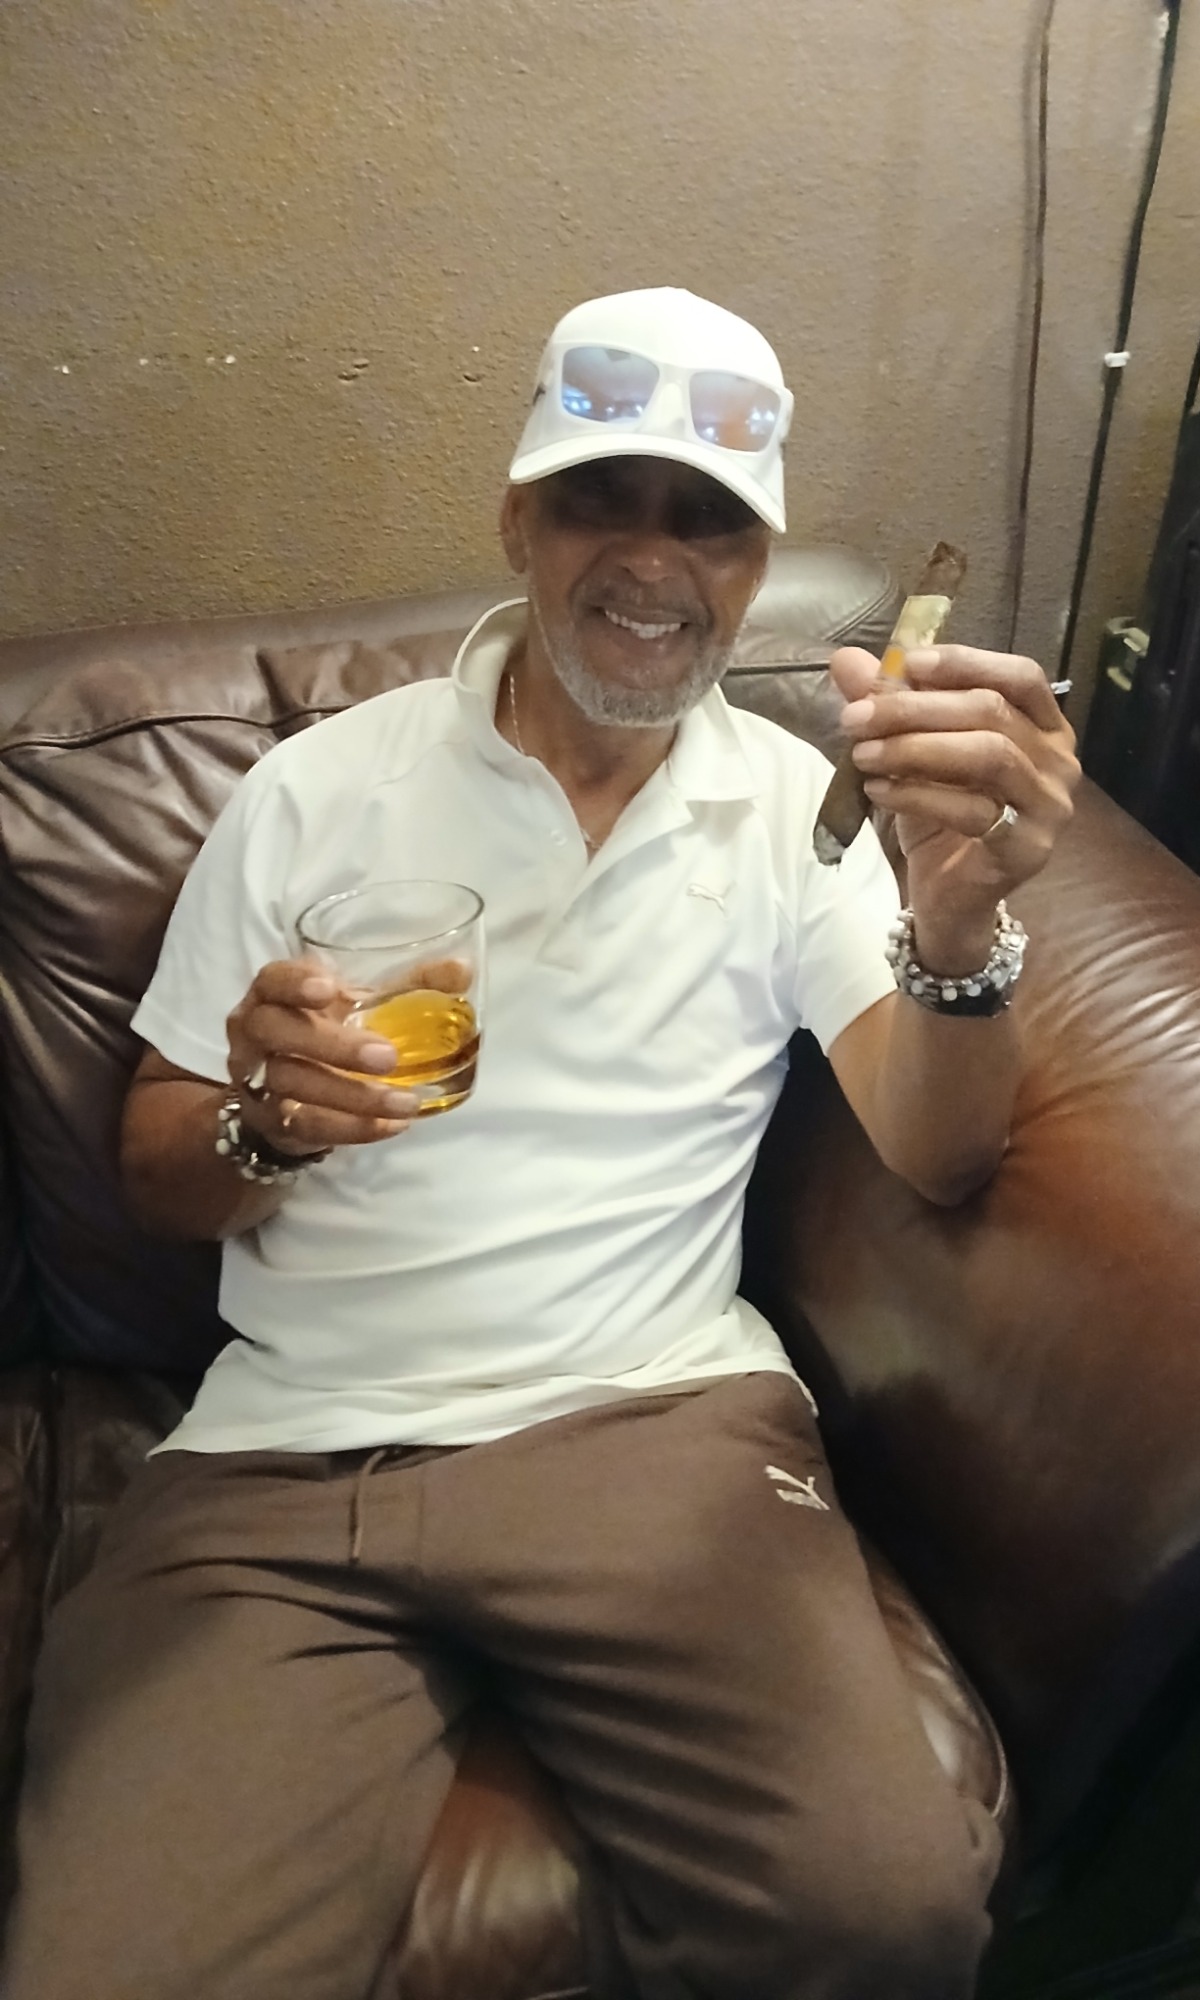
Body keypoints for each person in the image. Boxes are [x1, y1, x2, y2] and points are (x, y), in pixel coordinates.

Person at [4, 287, 1079, 2000]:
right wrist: (264, 1126)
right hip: (295, 1458)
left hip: (655, 1432)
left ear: (757, 565)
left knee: (882, 1915)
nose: (652, 560)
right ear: (519, 519)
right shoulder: (316, 791)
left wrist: (955, 935)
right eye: (601, 500)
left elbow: (940, 1154)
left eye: (708, 520)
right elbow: (154, 1168)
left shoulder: (792, 812)